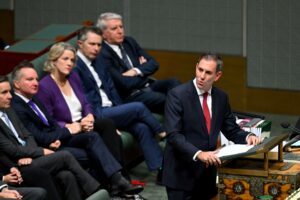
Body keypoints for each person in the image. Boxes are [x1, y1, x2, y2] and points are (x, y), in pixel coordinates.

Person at [34, 43, 143, 196]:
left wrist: (89, 116)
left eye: (72, 60)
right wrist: (75, 126)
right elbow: (48, 119)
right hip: (68, 131)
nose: (69, 63)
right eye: (65, 59)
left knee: (107, 125)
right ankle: (119, 180)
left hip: (83, 122)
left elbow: (86, 102)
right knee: (93, 137)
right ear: (53, 60)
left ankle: (119, 181)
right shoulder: (45, 86)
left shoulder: (73, 77)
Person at [162, 53, 261, 200]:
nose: (201, 76)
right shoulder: (177, 95)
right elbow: (174, 135)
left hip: (207, 176)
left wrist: (248, 136)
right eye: (200, 70)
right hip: (181, 175)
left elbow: (231, 129)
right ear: (196, 67)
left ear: (217, 76)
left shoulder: (221, 97)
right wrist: (199, 153)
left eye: (208, 72)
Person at [74, 26, 165, 178]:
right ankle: (163, 133)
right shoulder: (75, 67)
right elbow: (83, 100)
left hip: (112, 108)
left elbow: (111, 89)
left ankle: (161, 169)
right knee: (138, 107)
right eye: (92, 44)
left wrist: (120, 110)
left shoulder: (98, 61)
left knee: (141, 127)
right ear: (80, 44)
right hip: (97, 112)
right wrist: (107, 123)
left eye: (99, 44)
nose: (97, 48)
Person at [0, 75, 105, 200]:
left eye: (9, 92)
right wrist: (41, 151)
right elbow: (11, 150)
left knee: (67, 175)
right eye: (4, 93)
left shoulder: (9, 110)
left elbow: (28, 135)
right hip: (16, 166)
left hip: (30, 157)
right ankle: (95, 189)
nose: (10, 96)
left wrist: (32, 153)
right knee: (65, 156)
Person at [95, 12, 180, 114]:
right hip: (129, 95)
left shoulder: (129, 42)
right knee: (166, 99)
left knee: (175, 84)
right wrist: (143, 70)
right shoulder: (103, 53)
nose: (120, 31)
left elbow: (154, 64)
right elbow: (123, 84)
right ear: (103, 34)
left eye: (121, 27)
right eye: (114, 29)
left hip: (147, 86)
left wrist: (135, 70)